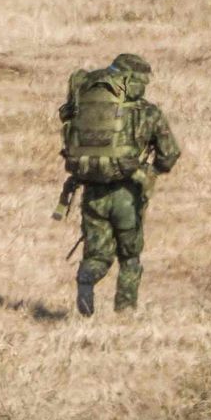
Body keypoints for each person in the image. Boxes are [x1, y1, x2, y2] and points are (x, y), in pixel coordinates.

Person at [62, 54, 180, 317]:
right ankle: (125, 313)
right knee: (130, 256)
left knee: (97, 255)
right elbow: (170, 154)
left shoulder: (86, 104)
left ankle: (86, 279)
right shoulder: (147, 112)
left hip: (92, 192)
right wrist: (151, 170)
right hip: (128, 193)